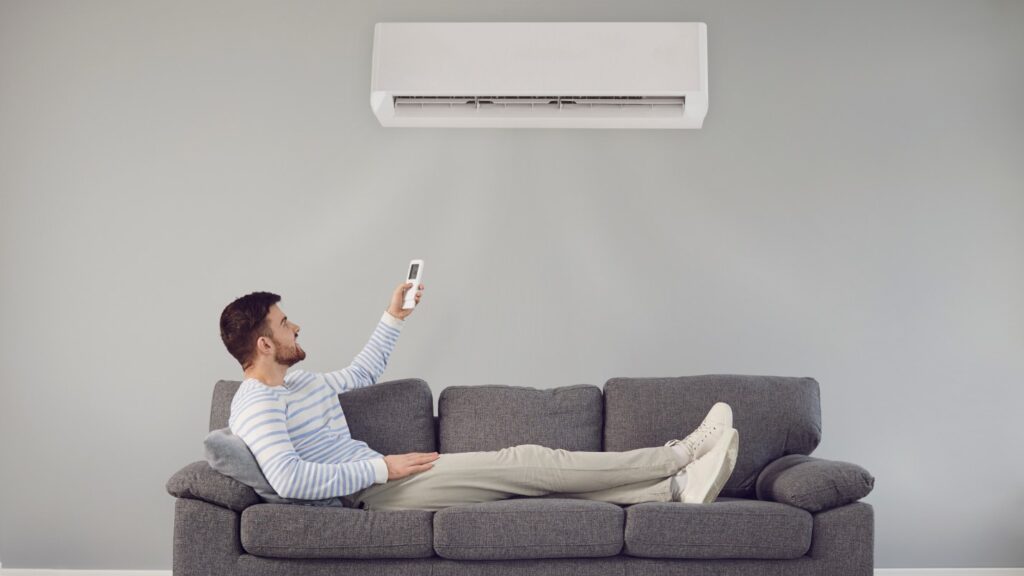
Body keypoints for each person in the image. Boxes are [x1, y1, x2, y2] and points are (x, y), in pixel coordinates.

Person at [218, 282, 739, 512]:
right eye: (286, 323)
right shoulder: (259, 404)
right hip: (372, 494)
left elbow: (363, 371)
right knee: (529, 461)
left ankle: (671, 492)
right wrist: (384, 470)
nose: (296, 326)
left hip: (382, 479)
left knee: (526, 483)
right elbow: (288, 479)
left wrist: (394, 316)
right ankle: (679, 453)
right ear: (265, 343)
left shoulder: (299, 383)